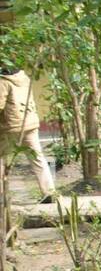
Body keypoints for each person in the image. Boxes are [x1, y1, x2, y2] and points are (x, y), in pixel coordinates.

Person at [0, 66, 56, 201]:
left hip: (11, 126)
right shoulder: (24, 78)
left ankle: (1, 195)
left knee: (1, 158)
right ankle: (49, 192)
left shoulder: (3, 82)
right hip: (30, 122)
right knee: (37, 158)